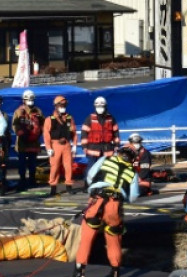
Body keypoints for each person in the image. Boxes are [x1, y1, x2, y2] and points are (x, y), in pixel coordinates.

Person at [72, 146, 140, 277]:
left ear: (118, 153)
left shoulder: (105, 159)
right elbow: (133, 196)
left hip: (97, 201)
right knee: (114, 240)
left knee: (86, 238)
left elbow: (91, 175)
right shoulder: (133, 172)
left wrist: (92, 190)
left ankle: (80, 271)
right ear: (132, 159)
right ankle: (115, 271)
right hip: (115, 206)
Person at [43, 95, 76, 196]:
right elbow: (46, 135)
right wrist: (48, 148)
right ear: (56, 106)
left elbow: (73, 133)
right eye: (61, 105)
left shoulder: (69, 118)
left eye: (64, 105)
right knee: (55, 167)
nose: (63, 106)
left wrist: (74, 145)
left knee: (68, 166)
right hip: (55, 145)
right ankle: (53, 187)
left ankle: (69, 186)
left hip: (66, 145)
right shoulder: (49, 119)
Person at [12, 90, 45, 191]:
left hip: (34, 143)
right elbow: (14, 125)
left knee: (32, 163)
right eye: (28, 99)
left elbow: (43, 124)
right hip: (22, 143)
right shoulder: (18, 112)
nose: (30, 101)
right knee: (22, 163)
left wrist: (39, 133)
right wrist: (21, 133)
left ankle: (32, 179)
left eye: (32, 99)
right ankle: (22, 180)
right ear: (24, 100)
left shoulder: (38, 112)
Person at [80, 96, 120, 170]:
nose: (100, 108)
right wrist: (84, 147)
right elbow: (84, 133)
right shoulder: (90, 118)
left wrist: (117, 145)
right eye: (98, 106)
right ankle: (89, 181)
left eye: (101, 106)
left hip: (107, 149)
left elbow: (116, 133)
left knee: (106, 169)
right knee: (91, 169)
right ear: (95, 106)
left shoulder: (111, 118)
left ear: (105, 106)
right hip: (93, 149)